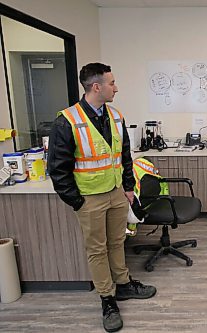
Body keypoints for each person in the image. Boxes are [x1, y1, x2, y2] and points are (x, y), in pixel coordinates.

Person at [48, 63, 156, 332]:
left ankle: (123, 285)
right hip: (89, 199)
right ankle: (107, 299)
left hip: (117, 193)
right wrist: (76, 200)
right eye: (112, 83)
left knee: (117, 241)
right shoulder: (67, 120)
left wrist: (129, 188)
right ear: (96, 87)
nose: (116, 87)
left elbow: (125, 157)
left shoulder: (116, 116)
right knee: (97, 249)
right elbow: (57, 169)